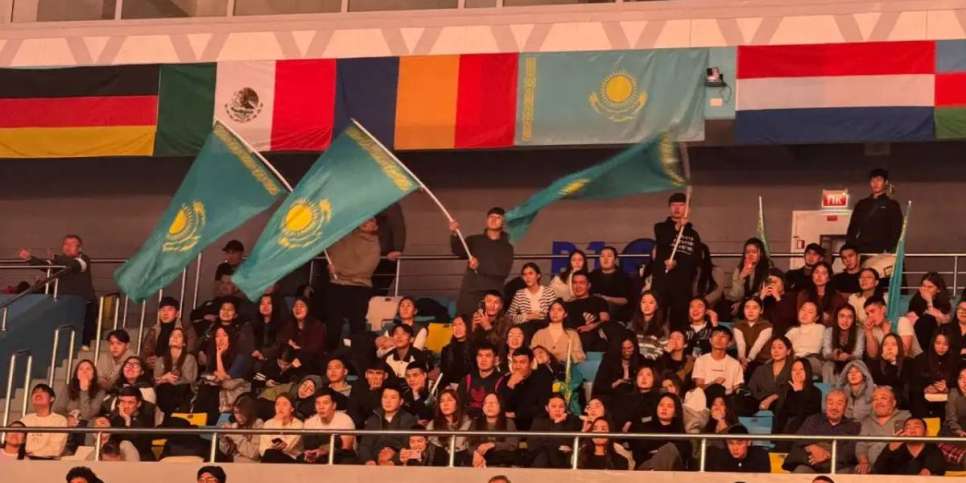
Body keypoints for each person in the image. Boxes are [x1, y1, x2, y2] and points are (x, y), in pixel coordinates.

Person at [19, 234, 96, 346]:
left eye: (71, 244)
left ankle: (85, 345)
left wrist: (55, 257)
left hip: (84, 302)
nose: (67, 247)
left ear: (79, 248)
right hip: (65, 301)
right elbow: (46, 266)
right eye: (66, 244)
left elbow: (74, 265)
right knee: (64, 328)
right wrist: (30, 258)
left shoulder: (83, 259)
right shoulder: (60, 261)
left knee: (85, 328)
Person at [325, 217, 381, 350]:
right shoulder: (345, 236)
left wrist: (339, 269)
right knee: (333, 323)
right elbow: (332, 252)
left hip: (360, 287)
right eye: (364, 219)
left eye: (371, 220)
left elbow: (365, 270)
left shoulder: (374, 244)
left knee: (357, 324)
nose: (366, 222)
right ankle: (330, 354)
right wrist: (332, 268)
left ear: (376, 227)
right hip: (337, 284)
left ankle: (357, 355)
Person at [450, 207, 514, 317]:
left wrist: (479, 266)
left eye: (498, 217)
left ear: (503, 222)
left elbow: (503, 271)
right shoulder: (474, 240)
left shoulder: (507, 247)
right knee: (465, 321)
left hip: (492, 295)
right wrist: (454, 233)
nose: (494, 220)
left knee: (489, 324)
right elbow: (458, 251)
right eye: (491, 217)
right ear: (486, 220)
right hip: (470, 292)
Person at [652, 192, 702, 327]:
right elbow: (663, 241)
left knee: (679, 321)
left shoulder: (693, 234)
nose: (677, 208)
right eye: (674, 205)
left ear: (688, 209)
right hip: (662, 282)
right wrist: (677, 226)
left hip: (682, 284)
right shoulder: (660, 227)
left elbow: (695, 259)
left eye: (681, 205)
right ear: (669, 208)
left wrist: (677, 263)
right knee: (658, 318)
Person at [782, 389, 860, 473]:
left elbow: (852, 453)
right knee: (800, 471)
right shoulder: (813, 420)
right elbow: (799, 440)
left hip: (839, 467)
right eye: (830, 403)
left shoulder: (853, 427)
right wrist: (812, 447)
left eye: (839, 404)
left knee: (848, 473)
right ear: (825, 405)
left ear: (845, 406)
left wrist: (828, 454)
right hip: (811, 464)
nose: (834, 407)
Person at [854, 386, 912, 474]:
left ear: (893, 403)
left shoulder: (906, 417)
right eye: (875, 399)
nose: (879, 402)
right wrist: (864, 462)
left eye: (883, 398)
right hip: (871, 470)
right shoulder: (867, 421)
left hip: (898, 468)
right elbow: (861, 446)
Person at [846, 168, 903, 254]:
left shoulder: (892, 205)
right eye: (872, 181)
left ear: (886, 182)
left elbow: (896, 230)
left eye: (879, 180)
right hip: (860, 249)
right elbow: (852, 227)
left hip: (881, 251)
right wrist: (850, 246)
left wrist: (888, 249)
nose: (875, 183)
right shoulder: (861, 204)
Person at [358, 386, 417, 465]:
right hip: (374, 463)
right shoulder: (373, 419)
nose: (388, 401)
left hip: (398, 464)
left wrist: (394, 459)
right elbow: (365, 445)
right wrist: (368, 460)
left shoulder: (408, 419)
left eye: (393, 398)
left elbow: (409, 446)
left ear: (401, 401)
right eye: (385, 397)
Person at [631, 393, 690, 470]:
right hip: (646, 467)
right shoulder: (644, 428)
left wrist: (660, 452)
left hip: (672, 469)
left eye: (669, 406)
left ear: (676, 412)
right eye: (661, 405)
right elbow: (638, 454)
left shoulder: (679, 433)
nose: (664, 409)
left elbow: (684, 455)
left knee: (669, 449)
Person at [499, 348, 554, 431]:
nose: (517, 366)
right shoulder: (506, 380)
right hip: (511, 427)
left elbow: (544, 408)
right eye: (515, 362)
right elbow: (503, 409)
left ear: (531, 364)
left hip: (536, 426)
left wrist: (517, 414)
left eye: (522, 362)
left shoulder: (542, 379)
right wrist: (510, 386)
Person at [53, 359, 105, 444]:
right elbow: (58, 409)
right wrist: (68, 418)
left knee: (83, 424)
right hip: (69, 423)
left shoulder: (100, 391)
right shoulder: (68, 388)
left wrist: (84, 391)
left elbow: (86, 415)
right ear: (76, 374)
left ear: (93, 374)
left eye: (88, 369)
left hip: (87, 426)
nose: (84, 372)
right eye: (81, 369)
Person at [872, 416, 946, 475]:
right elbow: (877, 470)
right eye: (908, 427)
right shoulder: (895, 448)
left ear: (926, 432)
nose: (912, 430)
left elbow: (940, 471)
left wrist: (930, 473)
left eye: (917, 427)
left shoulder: (932, 449)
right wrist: (890, 449)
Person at [141, 297, 198, 370]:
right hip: (155, 369)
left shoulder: (186, 329)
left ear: (177, 313)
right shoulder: (154, 330)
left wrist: (163, 361)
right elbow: (144, 352)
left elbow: (190, 352)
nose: (165, 313)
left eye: (170, 309)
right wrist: (147, 361)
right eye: (162, 310)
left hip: (178, 369)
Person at [527, 393, 582, 468]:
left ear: (565, 408)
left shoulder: (571, 421)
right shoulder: (539, 422)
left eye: (561, 407)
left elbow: (568, 444)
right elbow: (532, 445)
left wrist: (558, 424)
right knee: (544, 454)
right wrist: (557, 423)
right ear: (547, 408)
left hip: (563, 460)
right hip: (542, 460)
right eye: (553, 406)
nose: (557, 410)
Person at [302, 389, 356, 464]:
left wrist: (324, 451)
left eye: (325, 403)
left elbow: (346, 447)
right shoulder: (309, 422)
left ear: (334, 405)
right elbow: (308, 447)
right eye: (318, 403)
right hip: (318, 458)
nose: (321, 407)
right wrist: (310, 454)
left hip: (340, 456)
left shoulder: (345, 419)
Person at [910, 331, 957, 418]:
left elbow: (957, 382)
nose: (941, 347)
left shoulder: (954, 360)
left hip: (946, 402)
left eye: (945, 344)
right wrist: (925, 388)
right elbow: (913, 383)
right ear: (933, 343)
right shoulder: (921, 359)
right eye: (938, 343)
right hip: (923, 401)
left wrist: (947, 388)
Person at [562, 271, 612, 352]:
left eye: (581, 283)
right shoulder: (567, 304)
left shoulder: (598, 301)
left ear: (588, 285)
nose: (577, 286)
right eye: (575, 283)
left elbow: (605, 320)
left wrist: (591, 326)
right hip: (572, 337)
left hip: (594, 337)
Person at [153, 327, 198, 415]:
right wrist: (164, 378)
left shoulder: (189, 358)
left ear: (184, 343)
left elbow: (189, 380)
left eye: (179, 336)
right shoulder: (160, 360)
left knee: (176, 388)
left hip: (183, 392)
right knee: (164, 388)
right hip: (165, 394)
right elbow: (155, 381)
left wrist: (168, 380)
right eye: (172, 335)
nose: (175, 337)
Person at [773, 358, 823, 436]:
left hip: (806, 433)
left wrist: (799, 393)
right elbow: (780, 417)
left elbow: (802, 415)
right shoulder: (787, 391)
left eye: (801, 369)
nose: (797, 373)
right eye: (794, 370)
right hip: (785, 434)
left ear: (807, 371)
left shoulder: (815, 392)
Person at [691, 326, 743, 399]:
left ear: (729, 343)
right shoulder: (701, 360)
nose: (719, 339)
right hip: (705, 398)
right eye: (716, 335)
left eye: (723, 336)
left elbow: (736, 389)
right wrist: (713, 383)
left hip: (726, 399)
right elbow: (699, 388)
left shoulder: (735, 364)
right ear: (710, 340)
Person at [470, 393, 520, 468]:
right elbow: (470, 445)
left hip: (502, 462)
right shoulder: (476, 422)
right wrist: (476, 452)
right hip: (480, 461)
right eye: (486, 403)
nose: (489, 406)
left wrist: (493, 445)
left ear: (500, 406)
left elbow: (512, 445)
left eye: (493, 403)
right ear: (482, 407)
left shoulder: (508, 422)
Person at [458, 343, 507, 418]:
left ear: (496, 359)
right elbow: (458, 404)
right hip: (466, 420)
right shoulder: (467, 379)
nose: (483, 359)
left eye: (488, 356)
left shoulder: (502, 380)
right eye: (480, 355)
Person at [530, 299, 586, 365]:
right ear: (549, 312)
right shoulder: (539, 334)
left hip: (566, 369)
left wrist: (564, 356)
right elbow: (531, 355)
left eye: (559, 310)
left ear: (565, 314)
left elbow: (581, 355)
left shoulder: (572, 334)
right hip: (544, 369)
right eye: (552, 309)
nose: (555, 312)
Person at [592, 333, 646, 399]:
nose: (626, 351)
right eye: (623, 348)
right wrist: (616, 383)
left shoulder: (641, 360)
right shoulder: (609, 360)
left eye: (629, 348)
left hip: (635, 397)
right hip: (612, 396)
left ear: (635, 347)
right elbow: (598, 387)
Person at [865, 332, 912, 407]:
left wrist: (893, 362)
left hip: (902, 402)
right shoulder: (876, 364)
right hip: (880, 401)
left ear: (899, 347)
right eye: (885, 344)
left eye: (894, 344)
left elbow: (901, 385)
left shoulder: (908, 362)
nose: (889, 348)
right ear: (882, 348)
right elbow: (878, 384)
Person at [425, 389, 472, 464]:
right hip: (438, 462)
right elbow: (433, 449)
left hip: (461, 461)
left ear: (457, 404)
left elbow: (459, 444)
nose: (445, 404)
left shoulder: (467, 421)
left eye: (449, 400)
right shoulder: (432, 424)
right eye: (442, 401)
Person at [21, 384, 67, 459]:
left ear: (52, 398)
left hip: (47, 461)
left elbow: (56, 448)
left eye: (43, 391)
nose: (38, 393)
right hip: (23, 459)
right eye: (35, 392)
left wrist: (32, 454)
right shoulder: (25, 419)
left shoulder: (60, 420)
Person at [109, 386, 155, 461]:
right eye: (122, 402)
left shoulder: (146, 419)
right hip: (117, 460)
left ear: (139, 404)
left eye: (130, 402)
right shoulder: (114, 418)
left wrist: (127, 420)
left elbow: (136, 445)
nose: (126, 406)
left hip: (142, 459)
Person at [610, 365, 662, 432]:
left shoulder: (658, 399)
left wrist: (632, 421)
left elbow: (650, 418)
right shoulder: (627, 398)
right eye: (640, 375)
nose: (644, 378)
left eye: (648, 375)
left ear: (654, 379)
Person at [821, 304, 865, 383]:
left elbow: (859, 354)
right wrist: (833, 355)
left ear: (854, 319)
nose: (845, 320)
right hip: (834, 362)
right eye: (842, 316)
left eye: (850, 317)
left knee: (858, 364)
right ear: (836, 318)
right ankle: (830, 390)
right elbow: (826, 353)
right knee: (828, 365)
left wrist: (849, 357)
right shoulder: (829, 331)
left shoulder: (859, 331)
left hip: (852, 361)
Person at [726, 238, 772, 312]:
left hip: (762, 303)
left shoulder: (768, 269)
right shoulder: (739, 269)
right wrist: (741, 277)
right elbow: (735, 296)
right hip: (743, 304)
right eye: (747, 252)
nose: (750, 255)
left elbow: (766, 293)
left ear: (761, 253)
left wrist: (743, 304)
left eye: (754, 252)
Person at [507, 263, 557, 330]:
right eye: (524, 274)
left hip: (546, 329)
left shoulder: (549, 292)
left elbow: (556, 313)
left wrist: (541, 316)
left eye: (530, 273)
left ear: (538, 275)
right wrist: (526, 317)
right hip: (526, 328)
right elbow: (509, 316)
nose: (527, 277)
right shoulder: (519, 294)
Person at [749, 336, 793, 412]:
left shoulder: (793, 369)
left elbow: (792, 389)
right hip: (759, 401)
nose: (776, 351)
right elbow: (751, 389)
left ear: (788, 351)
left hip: (782, 403)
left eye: (780, 348)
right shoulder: (761, 369)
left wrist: (773, 397)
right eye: (773, 348)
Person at [589, 246, 633, 322]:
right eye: (602, 256)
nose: (605, 259)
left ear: (615, 259)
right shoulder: (592, 275)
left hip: (617, 314)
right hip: (594, 313)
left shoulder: (624, 277)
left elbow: (626, 300)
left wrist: (606, 298)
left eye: (609, 256)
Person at [249, 293, 288, 380]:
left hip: (273, 358)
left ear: (274, 306)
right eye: (262, 303)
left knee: (262, 366)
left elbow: (279, 344)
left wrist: (263, 353)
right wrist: (255, 352)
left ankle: (261, 382)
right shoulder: (252, 324)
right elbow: (248, 342)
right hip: (255, 357)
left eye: (269, 303)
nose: (265, 306)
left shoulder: (282, 325)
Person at [797, 261, 848, 326]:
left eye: (823, 273)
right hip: (808, 328)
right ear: (812, 275)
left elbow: (839, 319)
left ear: (829, 278)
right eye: (816, 272)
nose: (819, 276)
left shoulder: (836, 297)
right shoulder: (804, 294)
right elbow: (800, 317)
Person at [732, 296, 773, 375]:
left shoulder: (767, 326)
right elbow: (741, 344)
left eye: (755, 308)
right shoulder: (738, 325)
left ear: (761, 310)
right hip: (744, 360)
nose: (750, 311)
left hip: (763, 361)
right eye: (747, 307)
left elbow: (757, 346)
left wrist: (748, 360)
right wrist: (742, 359)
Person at [258, 393, 303, 463]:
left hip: (291, 459)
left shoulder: (298, 424)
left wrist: (279, 422)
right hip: (269, 456)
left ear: (292, 408)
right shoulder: (268, 423)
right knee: (270, 454)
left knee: (272, 454)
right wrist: (272, 448)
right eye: (277, 404)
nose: (280, 407)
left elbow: (286, 448)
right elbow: (262, 450)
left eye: (285, 404)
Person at [373, 203, 406, 296]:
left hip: (385, 254)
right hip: (378, 254)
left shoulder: (390, 205)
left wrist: (398, 249)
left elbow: (398, 226)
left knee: (378, 290)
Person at [706, 425, 770, 472]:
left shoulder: (760, 455)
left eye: (739, 443)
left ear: (748, 442)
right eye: (731, 443)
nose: (735, 448)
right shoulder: (719, 457)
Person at [218, 395, 263, 463]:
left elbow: (254, 453)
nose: (239, 416)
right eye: (236, 412)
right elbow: (227, 452)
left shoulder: (258, 423)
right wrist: (223, 438)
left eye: (242, 413)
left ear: (249, 412)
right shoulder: (234, 424)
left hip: (251, 464)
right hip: (234, 462)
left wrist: (235, 435)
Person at [786, 301, 826, 374]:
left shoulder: (820, 328)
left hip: (813, 360)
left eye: (810, 312)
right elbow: (782, 345)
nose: (804, 314)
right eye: (803, 310)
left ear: (816, 318)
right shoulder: (793, 331)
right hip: (795, 360)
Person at [346, 361, 389, 428]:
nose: (374, 377)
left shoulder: (391, 389)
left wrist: (374, 391)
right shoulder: (358, 388)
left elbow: (383, 414)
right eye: (371, 373)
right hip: (361, 428)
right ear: (366, 375)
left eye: (379, 373)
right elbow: (352, 413)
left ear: (385, 376)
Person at [630, 291, 668, 360]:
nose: (646, 306)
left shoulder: (662, 327)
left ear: (657, 306)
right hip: (633, 362)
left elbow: (662, 350)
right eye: (643, 302)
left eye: (651, 302)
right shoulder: (632, 325)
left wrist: (645, 360)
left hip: (652, 363)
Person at [439, 315, 472, 388]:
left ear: (468, 326)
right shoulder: (446, 349)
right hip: (450, 387)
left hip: (469, 387)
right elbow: (443, 374)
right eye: (454, 325)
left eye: (460, 324)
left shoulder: (474, 348)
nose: (457, 328)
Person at [761, 270, 798, 336]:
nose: (772, 285)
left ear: (783, 282)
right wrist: (761, 297)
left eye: (775, 282)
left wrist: (777, 297)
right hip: (766, 333)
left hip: (785, 333)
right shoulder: (764, 299)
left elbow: (789, 317)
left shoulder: (792, 296)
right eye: (769, 282)